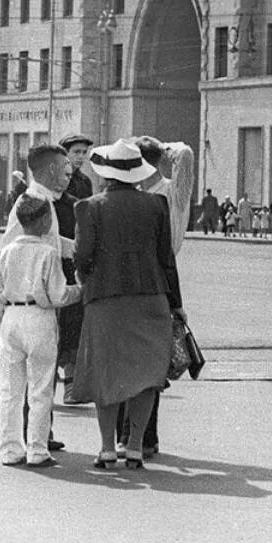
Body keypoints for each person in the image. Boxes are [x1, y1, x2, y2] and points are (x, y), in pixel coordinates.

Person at [71, 139, 183, 470]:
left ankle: (107, 448)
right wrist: (176, 304)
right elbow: (167, 260)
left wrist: (86, 277)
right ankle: (134, 446)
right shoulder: (157, 205)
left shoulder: (89, 207)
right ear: (137, 173)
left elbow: (82, 254)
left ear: (105, 174)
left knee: (107, 373)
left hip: (105, 300)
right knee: (146, 374)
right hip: (151, 298)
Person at [0, 195, 82, 468]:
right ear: (44, 220)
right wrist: (80, 290)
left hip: (11, 315)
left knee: (10, 389)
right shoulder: (47, 253)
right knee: (40, 388)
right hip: (39, 317)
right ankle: (37, 448)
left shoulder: (7, 251)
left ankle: (9, 448)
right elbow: (57, 294)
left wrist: (3, 323)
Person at [0, 145, 76, 441]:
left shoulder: (45, 201)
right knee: (32, 379)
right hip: (32, 304)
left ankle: (37, 433)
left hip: (35, 301)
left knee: (32, 378)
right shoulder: (33, 202)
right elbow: (8, 248)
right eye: (66, 170)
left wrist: (74, 246)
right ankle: (30, 437)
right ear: (52, 170)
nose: (69, 177)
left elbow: (51, 242)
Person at [59, 133, 95, 200]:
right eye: (76, 152)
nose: (81, 156)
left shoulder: (85, 181)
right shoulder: (55, 179)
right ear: (64, 153)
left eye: (84, 152)